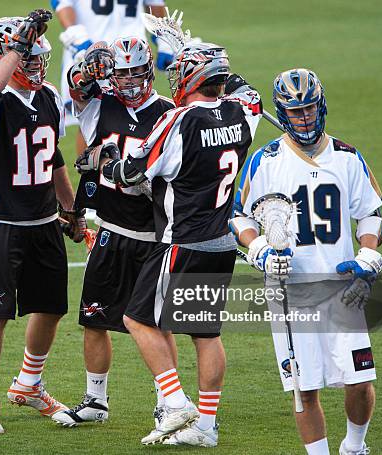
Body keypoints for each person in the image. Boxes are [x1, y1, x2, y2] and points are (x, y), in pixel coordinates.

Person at [76, 42, 262, 446]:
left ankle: (175, 401)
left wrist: (103, 160)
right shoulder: (243, 113)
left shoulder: (177, 121)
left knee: (136, 319)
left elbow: (129, 172)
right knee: (206, 335)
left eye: (183, 72)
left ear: (194, 79)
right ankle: (206, 428)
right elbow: (249, 92)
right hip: (222, 241)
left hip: (182, 240)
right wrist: (216, 65)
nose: (175, 79)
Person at [230, 68, 382, 455]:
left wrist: (367, 252)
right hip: (290, 292)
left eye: (310, 108)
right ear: (283, 113)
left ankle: (354, 447)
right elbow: (239, 217)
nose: (305, 117)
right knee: (305, 387)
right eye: (296, 111)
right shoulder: (265, 162)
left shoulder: (348, 158)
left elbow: (371, 214)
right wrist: (259, 249)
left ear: (322, 106)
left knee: (361, 380)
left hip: (342, 289)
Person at [0, 10, 86, 434]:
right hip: (2, 220)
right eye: (26, 57)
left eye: (36, 57)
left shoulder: (49, 96)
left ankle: (28, 384)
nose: (35, 64)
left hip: (43, 218)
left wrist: (71, 210)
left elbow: (54, 161)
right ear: (5, 53)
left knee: (51, 307)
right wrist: (17, 48)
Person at [50, 37, 178, 428]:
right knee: (94, 317)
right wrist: (90, 65)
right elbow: (76, 83)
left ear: (148, 70)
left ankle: (167, 402)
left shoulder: (171, 113)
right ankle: (95, 399)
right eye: (120, 73)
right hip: (111, 229)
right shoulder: (98, 106)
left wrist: (145, 182)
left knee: (158, 322)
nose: (129, 80)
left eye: (136, 71)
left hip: (155, 235)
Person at [51, 0, 172, 154]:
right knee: (92, 118)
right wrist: (79, 38)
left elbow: (154, 4)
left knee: (142, 111)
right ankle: (91, 173)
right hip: (95, 54)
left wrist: (163, 40)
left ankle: (137, 165)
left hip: (135, 54)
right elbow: (62, 4)